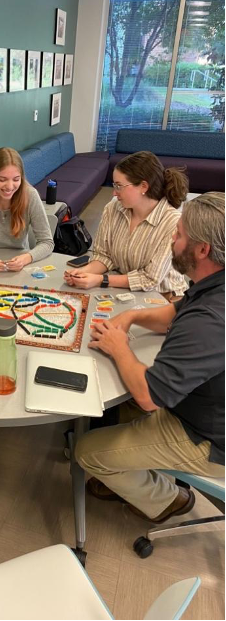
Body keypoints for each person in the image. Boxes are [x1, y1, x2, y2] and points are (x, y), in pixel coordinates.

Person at [76, 192, 225, 524]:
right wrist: (131, 317)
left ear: (203, 250)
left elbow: (148, 397)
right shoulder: (213, 285)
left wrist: (119, 347)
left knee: (87, 452)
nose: (172, 238)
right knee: (118, 406)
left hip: (207, 437)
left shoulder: (209, 322)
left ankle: (169, 499)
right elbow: (172, 312)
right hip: (203, 407)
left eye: (180, 234)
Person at [64, 151, 189, 298]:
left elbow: (150, 279)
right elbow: (104, 256)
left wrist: (101, 280)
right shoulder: (113, 209)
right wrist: (85, 271)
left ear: (143, 186)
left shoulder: (172, 222)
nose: (114, 193)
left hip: (164, 297)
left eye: (119, 186)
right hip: (125, 291)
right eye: (114, 185)